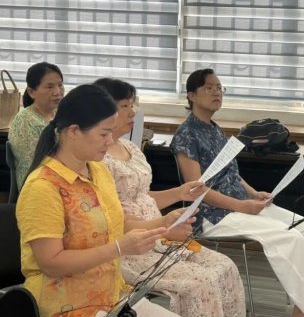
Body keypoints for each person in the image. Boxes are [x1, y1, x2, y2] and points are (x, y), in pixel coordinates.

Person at [170, 69, 304, 317]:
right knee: (289, 237)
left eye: (219, 88)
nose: (217, 92)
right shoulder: (186, 134)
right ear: (191, 95)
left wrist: (253, 194)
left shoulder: (215, 129)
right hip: (212, 215)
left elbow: (231, 173)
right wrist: (241, 206)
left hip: (239, 205)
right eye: (209, 88)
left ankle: (302, 309)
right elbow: (196, 189)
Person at [16, 84, 194, 317]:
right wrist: (119, 248)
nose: (110, 141)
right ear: (73, 131)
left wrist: (163, 227)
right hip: (68, 306)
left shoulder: (98, 170)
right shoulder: (43, 187)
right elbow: (51, 263)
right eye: (103, 134)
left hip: (112, 297)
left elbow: (115, 222)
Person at [94, 77, 246, 317]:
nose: (133, 111)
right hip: (132, 247)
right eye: (125, 106)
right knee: (201, 284)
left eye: (133, 104)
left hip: (159, 236)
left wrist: (179, 193)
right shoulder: (97, 157)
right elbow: (110, 220)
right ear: (102, 110)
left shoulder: (130, 148)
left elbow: (142, 196)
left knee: (226, 267)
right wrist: (163, 228)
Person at [8, 61, 64, 190]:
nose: (57, 92)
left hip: (61, 178)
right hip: (38, 186)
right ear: (31, 92)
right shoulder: (24, 120)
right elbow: (38, 165)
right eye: (49, 87)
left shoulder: (60, 113)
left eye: (60, 85)